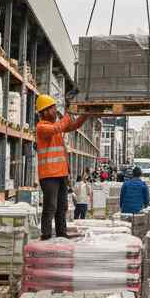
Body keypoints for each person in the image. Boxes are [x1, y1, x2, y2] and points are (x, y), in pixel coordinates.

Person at [35, 94, 92, 240]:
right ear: (44, 111)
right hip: (48, 176)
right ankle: (46, 234)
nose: (55, 111)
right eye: (53, 109)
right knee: (51, 206)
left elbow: (73, 125)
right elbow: (58, 127)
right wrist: (69, 113)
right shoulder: (42, 127)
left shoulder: (56, 127)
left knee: (62, 206)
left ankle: (62, 233)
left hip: (60, 174)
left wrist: (86, 114)